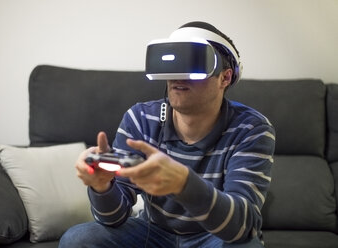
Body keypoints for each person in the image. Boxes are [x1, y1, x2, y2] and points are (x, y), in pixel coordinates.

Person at [59, 21, 275, 248]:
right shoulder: (141, 119)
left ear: (225, 78)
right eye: (173, 63)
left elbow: (242, 225)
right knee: (78, 240)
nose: (178, 76)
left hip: (213, 238)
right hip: (152, 233)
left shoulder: (251, 129)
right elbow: (112, 218)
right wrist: (102, 187)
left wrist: (184, 184)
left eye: (192, 64)